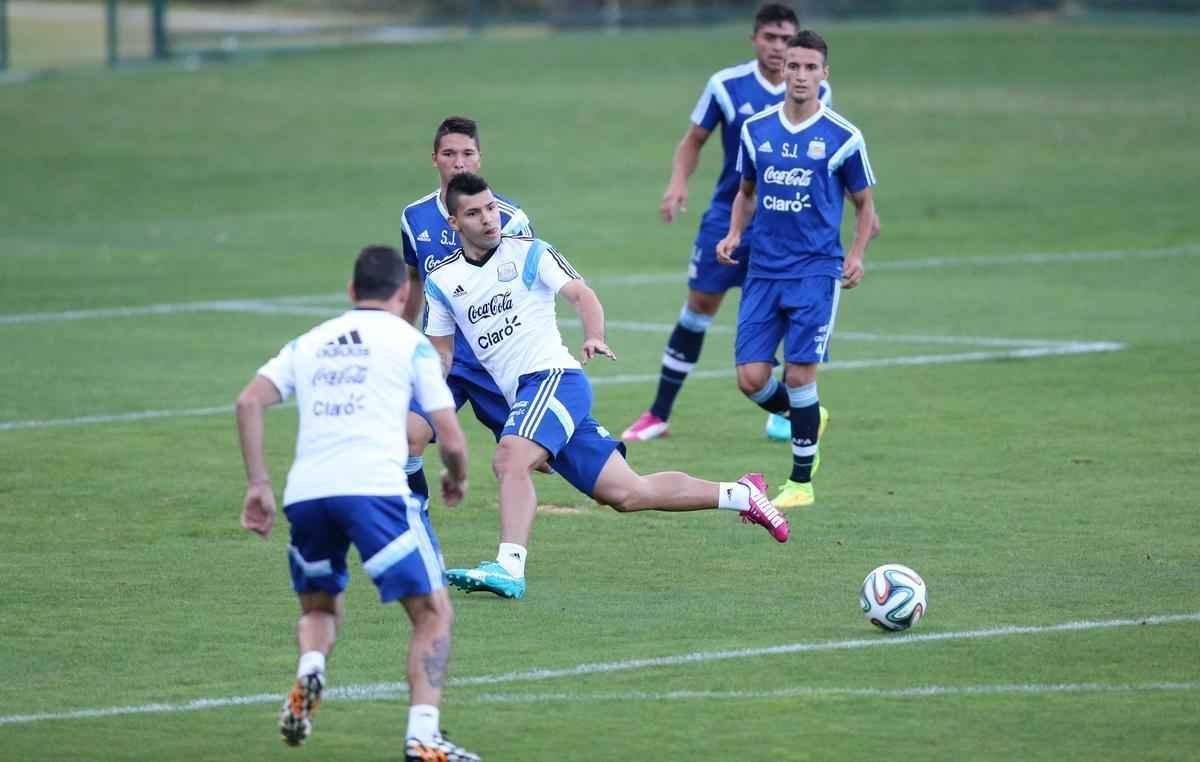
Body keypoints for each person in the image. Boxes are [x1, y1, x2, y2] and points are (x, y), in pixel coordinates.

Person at [423, 173, 790, 601]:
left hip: (556, 380)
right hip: (526, 397)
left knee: (509, 461)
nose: (488, 218)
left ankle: (509, 567)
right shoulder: (442, 282)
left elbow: (582, 295)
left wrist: (594, 334)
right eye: (474, 213)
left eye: (491, 208)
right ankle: (740, 494)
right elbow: (441, 356)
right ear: (454, 224)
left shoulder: (530, 253)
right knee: (628, 493)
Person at [235, 246, 480, 761]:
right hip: (374, 490)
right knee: (433, 613)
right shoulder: (412, 345)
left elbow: (249, 400)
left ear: (350, 292)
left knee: (321, 605)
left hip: (308, 494)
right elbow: (452, 438)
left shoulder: (310, 341)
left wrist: (259, 483)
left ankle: (311, 670)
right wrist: (455, 477)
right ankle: (423, 736)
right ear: (403, 294)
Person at [621, 3, 833, 445]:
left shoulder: (813, 90)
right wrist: (678, 183)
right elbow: (693, 140)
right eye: (770, 38)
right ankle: (658, 413)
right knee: (699, 305)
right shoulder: (726, 86)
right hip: (728, 214)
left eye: (785, 39)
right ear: (754, 39)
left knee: (783, 311)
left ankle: (786, 412)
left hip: (782, 225)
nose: (778, 48)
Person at [716, 30, 877, 509]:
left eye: (811, 68)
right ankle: (808, 417)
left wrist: (856, 254)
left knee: (800, 376)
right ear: (782, 71)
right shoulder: (756, 130)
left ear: (824, 74)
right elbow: (745, 193)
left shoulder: (843, 137)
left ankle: (801, 482)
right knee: (750, 378)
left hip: (815, 272)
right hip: (763, 269)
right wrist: (732, 234)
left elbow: (865, 205)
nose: (801, 76)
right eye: (793, 66)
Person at [399, 116, 534, 503]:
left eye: (467, 153)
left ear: (479, 159)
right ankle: (416, 523)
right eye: (449, 154)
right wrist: (399, 335)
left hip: (498, 359)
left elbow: (532, 290)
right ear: (434, 159)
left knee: (540, 460)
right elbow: (414, 278)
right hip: (443, 359)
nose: (458, 162)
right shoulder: (414, 217)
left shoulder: (511, 219)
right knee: (407, 437)